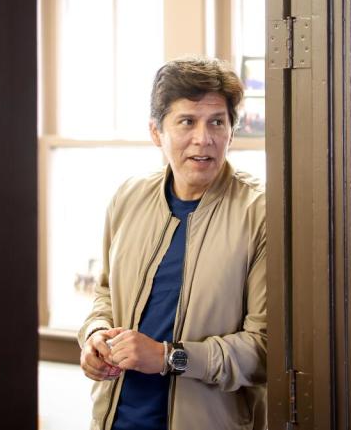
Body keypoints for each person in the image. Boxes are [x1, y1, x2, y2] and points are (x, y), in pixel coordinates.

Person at [78, 57, 267, 430]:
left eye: (217, 121)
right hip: (116, 420)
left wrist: (168, 357)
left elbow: (263, 350)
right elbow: (105, 295)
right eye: (187, 122)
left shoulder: (260, 213)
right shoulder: (127, 198)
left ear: (232, 129)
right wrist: (94, 334)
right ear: (155, 132)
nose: (204, 138)